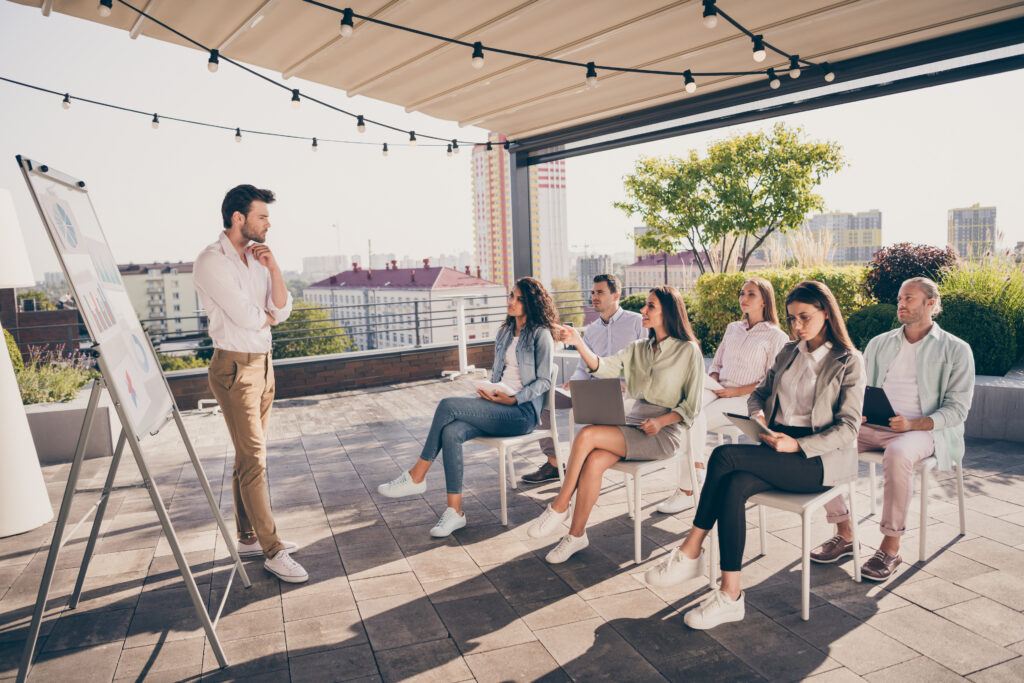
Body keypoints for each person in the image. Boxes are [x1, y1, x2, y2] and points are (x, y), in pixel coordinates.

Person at [644, 281, 865, 630]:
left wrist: (798, 445)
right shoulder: (789, 351)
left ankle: (691, 550)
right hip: (778, 446)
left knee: (724, 457)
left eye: (805, 317)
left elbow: (849, 429)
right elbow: (758, 395)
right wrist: (760, 419)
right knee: (734, 486)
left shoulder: (849, 361)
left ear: (826, 312)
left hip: (818, 460)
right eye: (792, 319)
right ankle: (730, 594)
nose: (797, 326)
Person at [527, 285, 704, 564]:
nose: (643, 311)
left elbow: (691, 407)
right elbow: (603, 366)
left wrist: (661, 421)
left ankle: (559, 505)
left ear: (669, 312)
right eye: (645, 305)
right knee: (595, 460)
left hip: (665, 432)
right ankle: (575, 535)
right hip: (634, 423)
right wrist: (578, 342)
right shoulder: (638, 349)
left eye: (650, 306)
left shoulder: (688, 351)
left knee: (587, 435)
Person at [812, 277, 974, 580]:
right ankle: (845, 531)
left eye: (909, 298)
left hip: (922, 432)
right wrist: (855, 412)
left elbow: (958, 409)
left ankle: (891, 546)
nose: (901, 303)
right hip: (873, 424)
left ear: (931, 304)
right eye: (900, 298)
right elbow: (860, 389)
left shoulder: (956, 350)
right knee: (821, 441)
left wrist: (914, 423)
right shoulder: (879, 343)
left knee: (898, 454)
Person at [376, 277, 557, 537]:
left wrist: (513, 399)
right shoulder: (505, 331)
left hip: (521, 413)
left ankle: (417, 475)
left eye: (519, 299)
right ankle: (455, 513)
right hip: (498, 405)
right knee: (451, 432)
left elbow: (545, 381)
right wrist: (490, 391)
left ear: (532, 303)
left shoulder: (541, 334)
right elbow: (501, 374)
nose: (512, 302)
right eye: (511, 296)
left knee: (447, 406)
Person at [193, 184, 307, 583]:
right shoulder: (211, 261)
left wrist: (274, 269)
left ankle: (247, 535)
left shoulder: (258, 258)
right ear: (238, 218)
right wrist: (268, 315)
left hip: (264, 364)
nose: (268, 223)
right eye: (262, 216)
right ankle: (272, 551)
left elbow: (281, 309)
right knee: (255, 459)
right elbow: (246, 316)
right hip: (235, 369)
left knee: (247, 456)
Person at [657, 277, 789, 513]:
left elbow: (772, 381)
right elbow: (716, 364)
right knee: (683, 407)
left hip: (747, 398)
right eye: (742, 293)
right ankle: (697, 470)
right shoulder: (733, 328)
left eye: (751, 294)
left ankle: (689, 489)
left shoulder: (776, 336)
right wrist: (712, 381)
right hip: (718, 389)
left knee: (693, 418)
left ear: (765, 302)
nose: (743, 298)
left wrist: (734, 391)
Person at [521, 273, 645, 485]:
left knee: (590, 422)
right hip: (589, 390)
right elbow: (582, 367)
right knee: (540, 397)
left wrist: (630, 382)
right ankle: (553, 462)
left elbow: (645, 361)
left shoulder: (637, 322)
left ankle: (581, 468)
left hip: (622, 393)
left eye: (600, 292)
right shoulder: (591, 330)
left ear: (616, 295)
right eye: (593, 292)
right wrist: (574, 381)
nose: (594, 297)